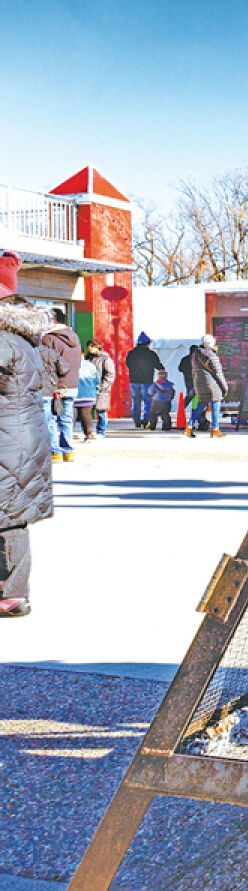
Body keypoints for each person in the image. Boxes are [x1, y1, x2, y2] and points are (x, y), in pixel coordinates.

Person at [0, 252, 54, 618]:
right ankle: (13, 594)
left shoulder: (3, 339)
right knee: (10, 517)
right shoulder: (24, 340)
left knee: (9, 518)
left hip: (8, 439)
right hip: (23, 438)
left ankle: (12, 594)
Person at [41, 308, 81, 463]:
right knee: (67, 417)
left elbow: (48, 363)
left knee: (50, 418)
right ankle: (68, 451)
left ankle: (55, 451)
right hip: (72, 384)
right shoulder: (74, 336)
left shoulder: (49, 339)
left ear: (53, 319)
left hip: (55, 385)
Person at [186, 334, 227, 438]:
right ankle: (215, 429)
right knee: (215, 404)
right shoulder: (212, 355)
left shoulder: (195, 355)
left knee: (201, 405)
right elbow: (218, 373)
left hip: (199, 383)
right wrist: (224, 387)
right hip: (212, 384)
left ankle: (189, 426)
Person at [126, 332, 163, 427]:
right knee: (147, 401)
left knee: (136, 401)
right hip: (147, 381)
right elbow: (158, 365)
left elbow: (128, 365)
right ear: (147, 343)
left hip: (134, 381)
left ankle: (136, 421)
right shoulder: (151, 354)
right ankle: (146, 420)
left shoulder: (131, 353)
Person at [85, 340, 116, 438]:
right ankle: (88, 432)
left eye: (90, 346)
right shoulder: (88, 358)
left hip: (101, 389)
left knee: (101, 411)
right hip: (89, 388)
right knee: (86, 410)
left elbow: (110, 374)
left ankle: (101, 432)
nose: (89, 348)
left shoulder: (105, 359)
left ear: (96, 346)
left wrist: (103, 386)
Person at [74, 355, 99, 441]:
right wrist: (96, 391)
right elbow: (97, 380)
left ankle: (67, 435)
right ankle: (88, 435)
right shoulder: (91, 365)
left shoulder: (70, 363)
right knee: (86, 415)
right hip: (89, 394)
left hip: (74, 394)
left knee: (71, 416)